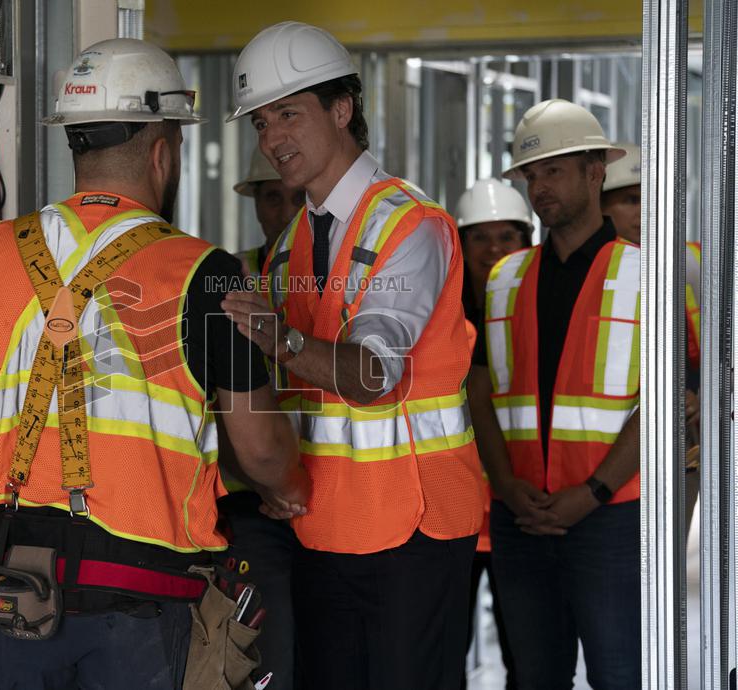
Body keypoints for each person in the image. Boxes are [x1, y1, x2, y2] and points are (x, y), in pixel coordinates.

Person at [0, 37, 308, 689]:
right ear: (164, 150)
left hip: (19, 585)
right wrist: (288, 488)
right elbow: (260, 451)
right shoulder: (205, 271)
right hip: (145, 592)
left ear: (74, 142)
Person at [222, 21, 484, 690]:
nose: (272, 138)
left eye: (289, 113)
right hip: (321, 524)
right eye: (260, 122)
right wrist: (273, 478)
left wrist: (277, 337)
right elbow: (290, 398)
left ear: (342, 110)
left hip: (414, 528)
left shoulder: (408, 224)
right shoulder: (291, 244)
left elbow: (371, 375)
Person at [467, 98, 641, 689]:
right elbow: (482, 389)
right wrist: (506, 486)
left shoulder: (645, 275)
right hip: (521, 514)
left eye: (554, 171)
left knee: (620, 676)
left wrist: (593, 492)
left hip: (611, 515)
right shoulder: (505, 278)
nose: (539, 187)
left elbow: (662, 404)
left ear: (595, 172)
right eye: (531, 174)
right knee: (535, 678)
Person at [214, 147, 305, 690]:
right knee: (270, 656)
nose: (286, 211)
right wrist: (266, 482)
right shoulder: (228, 278)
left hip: (325, 491)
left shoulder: (339, 276)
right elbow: (211, 403)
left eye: (298, 198)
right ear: (254, 204)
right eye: (273, 198)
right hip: (253, 501)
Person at [454, 178, 532, 690]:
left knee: (527, 659)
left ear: (527, 241)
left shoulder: (539, 314)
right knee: (444, 659)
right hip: (456, 515)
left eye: (507, 236)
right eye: (479, 237)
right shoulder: (439, 318)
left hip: (517, 511)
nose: (493, 248)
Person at [602, 142, 701, 529]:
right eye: (631, 200)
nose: (645, 210)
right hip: (608, 456)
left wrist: (706, 399)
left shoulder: (697, 265)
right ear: (600, 205)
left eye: (651, 197)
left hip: (684, 450)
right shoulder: (587, 274)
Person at [234, 147, 305, 276]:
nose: (287, 216)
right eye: (274, 199)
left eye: (300, 198)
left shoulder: (338, 268)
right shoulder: (229, 272)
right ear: (257, 202)